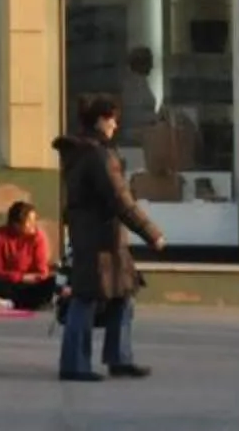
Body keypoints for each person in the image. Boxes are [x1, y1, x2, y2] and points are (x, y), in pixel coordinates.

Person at [55, 94, 160, 383]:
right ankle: (75, 364)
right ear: (101, 119)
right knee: (86, 298)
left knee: (122, 296)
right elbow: (119, 199)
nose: (116, 124)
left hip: (97, 235)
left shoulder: (83, 151)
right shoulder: (98, 155)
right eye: (113, 118)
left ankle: (119, 358)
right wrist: (151, 233)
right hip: (100, 238)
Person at [0, 201, 59, 313]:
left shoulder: (38, 238)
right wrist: (20, 277)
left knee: (52, 283)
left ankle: (9, 303)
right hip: (9, 283)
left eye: (35, 220)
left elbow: (42, 272)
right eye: (30, 221)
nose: (34, 224)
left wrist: (32, 278)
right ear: (16, 224)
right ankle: (21, 303)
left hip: (30, 285)